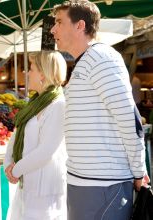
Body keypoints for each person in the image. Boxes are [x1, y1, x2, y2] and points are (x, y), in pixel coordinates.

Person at [50, 1, 150, 219]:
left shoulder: (100, 59)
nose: (52, 29)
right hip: (86, 184)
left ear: (80, 25)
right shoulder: (87, 61)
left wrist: (138, 171)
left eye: (59, 22)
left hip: (104, 186)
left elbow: (129, 119)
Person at [4, 51, 67, 220]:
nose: (26, 73)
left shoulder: (58, 105)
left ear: (43, 74)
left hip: (45, 189)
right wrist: (8, 164)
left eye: (31, 69)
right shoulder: (34, 103)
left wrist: (15, 170)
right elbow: (17, 135)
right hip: (28, 185)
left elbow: (47, 151)